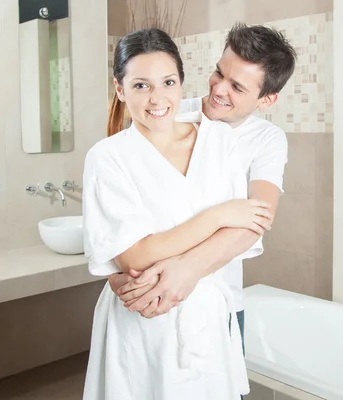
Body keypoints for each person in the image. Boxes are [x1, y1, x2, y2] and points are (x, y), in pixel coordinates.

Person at [82, 28, 275, 399]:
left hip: (204, 319)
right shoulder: (107, 157)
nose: (157, 98)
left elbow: (248, 226)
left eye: (168, 82)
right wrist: (217, 216)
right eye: (140, 86)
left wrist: (182, 262)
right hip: (142, 320)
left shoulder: (218, 142)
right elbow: (134, 253)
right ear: (120, 90)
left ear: (182, 83)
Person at [105, 22, 297, 347]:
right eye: (219, 73)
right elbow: (121, 202)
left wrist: (187, 269)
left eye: (237, 87)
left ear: (266, 100)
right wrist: (120, 267)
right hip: (146, 291)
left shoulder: (266, 140)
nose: (219, 89)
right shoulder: (169, 111)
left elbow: (258, 219)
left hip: (218, 300)